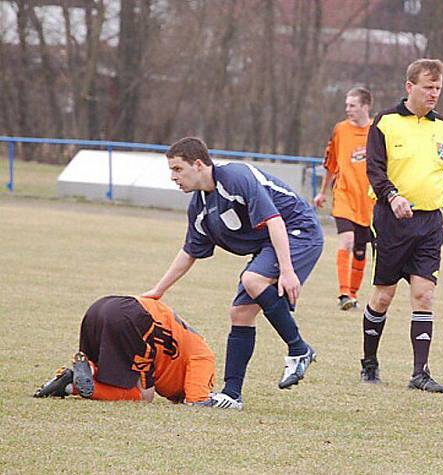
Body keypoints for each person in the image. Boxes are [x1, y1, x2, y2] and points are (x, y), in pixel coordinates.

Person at [144, 137, 324, 410]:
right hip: (269, 243)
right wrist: (159, 289)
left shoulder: (235, 177)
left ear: (199, 164)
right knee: (239, 313)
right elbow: (190, 251)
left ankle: (298, 349)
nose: (173, 177)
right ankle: (232, 394)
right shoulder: (200, 206)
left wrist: (287, 271)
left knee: (252, 279)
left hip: (297, 230)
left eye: (178, 169)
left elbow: (275, 220)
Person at [360, 58, 443, 392]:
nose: (433, 94)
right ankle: (369, 363)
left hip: (430, 222)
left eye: (438, 88)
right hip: (392, 221)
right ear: (410, 87)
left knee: (424, 294)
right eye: (428, 87)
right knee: (384, 297)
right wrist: (391, 196)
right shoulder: (386, 123)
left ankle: (420, 373)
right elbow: (374, 169)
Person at [34, 296, 216, 406]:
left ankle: (78, 376)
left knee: (108, 375)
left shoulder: (182, 348)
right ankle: (74, 385)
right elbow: (196, 400)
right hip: (136, 318)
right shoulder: (204, 354)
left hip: (100, 307)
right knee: (144, 397)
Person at [313, 87, 375, 311]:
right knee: (346, 241)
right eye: (347, 105)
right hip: (344, 195)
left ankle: (352, 295)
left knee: (360, 249)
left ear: (365, 106)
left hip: (369, 200)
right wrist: (323, 192)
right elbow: (331, 164)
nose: (347, 109)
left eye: (352, 105)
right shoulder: (340, 130)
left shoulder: (377, 131)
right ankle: (343, 293)